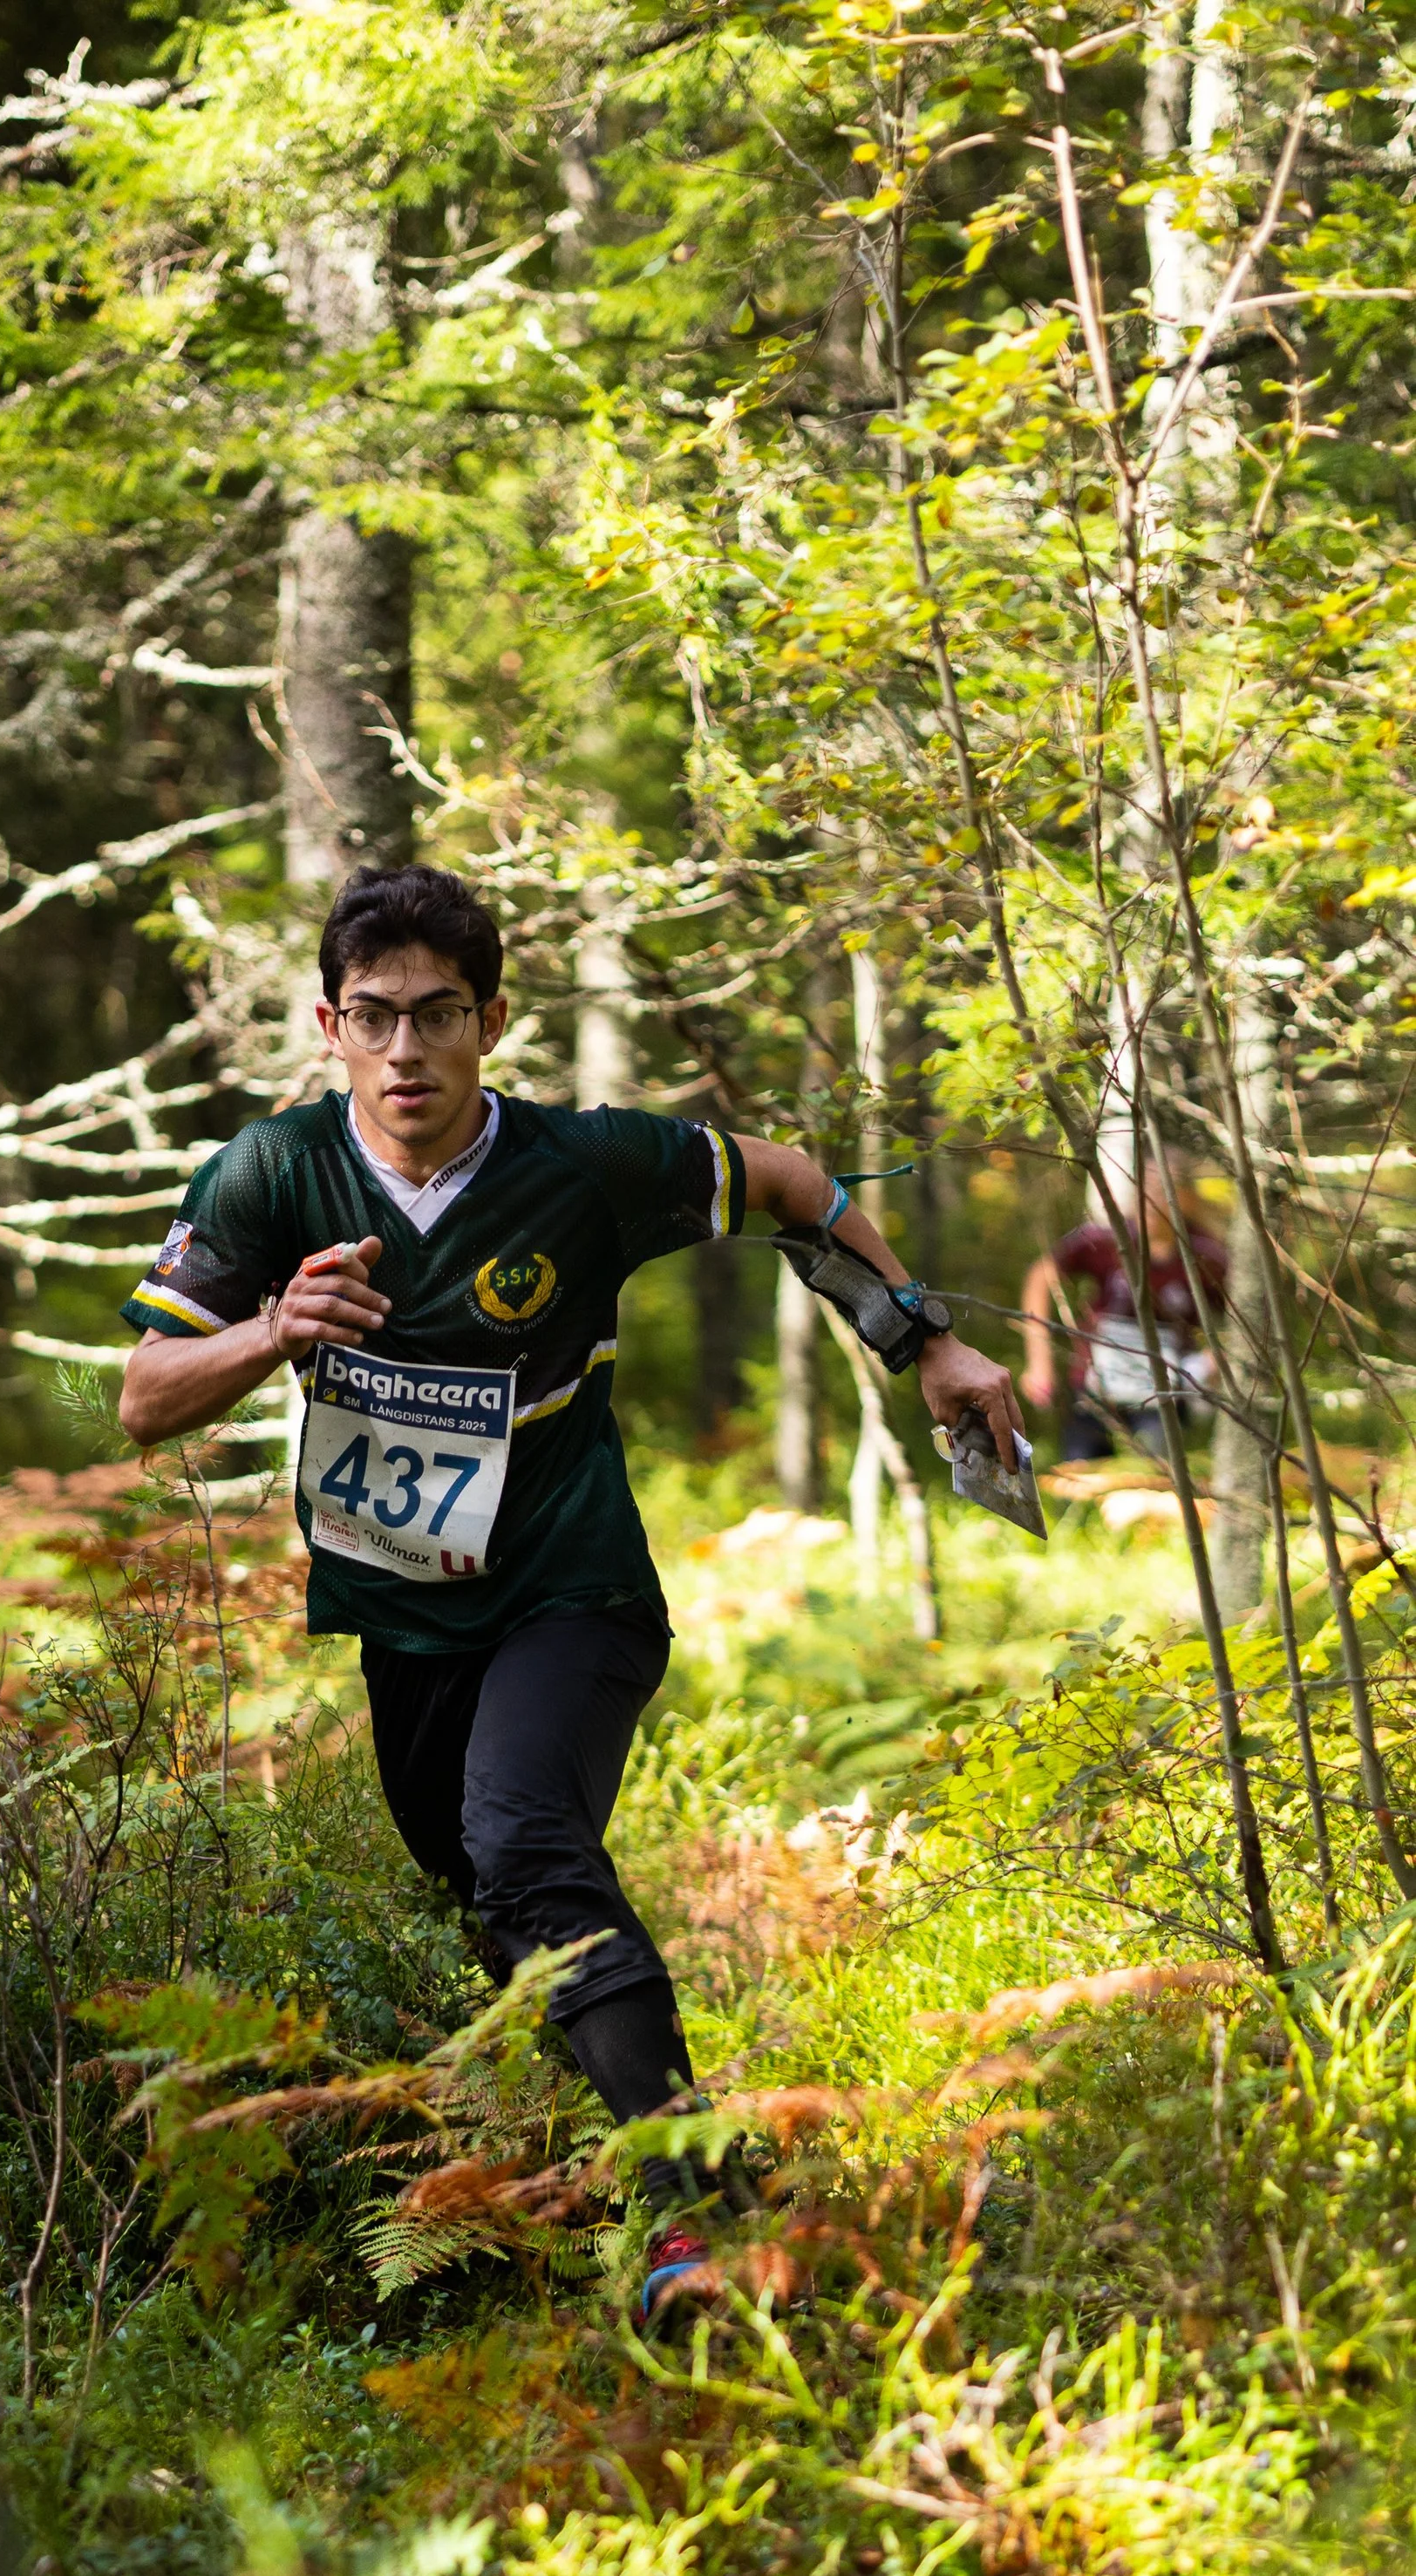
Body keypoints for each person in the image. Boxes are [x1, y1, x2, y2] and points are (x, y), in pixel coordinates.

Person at [117, 866, 1021, 2325]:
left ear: (491, 1021)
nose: (406, 1051)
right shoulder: (272, 1177)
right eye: (375, 1017)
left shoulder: (585, 1166)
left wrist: (924, 1344)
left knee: (526, 1838)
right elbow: (144, 1400)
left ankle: (679, 2216)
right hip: (405, 1615)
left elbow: (789, 1183)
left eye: (439, 1015)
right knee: (488, 1897)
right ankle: (725, 2186)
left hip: (573, 1588)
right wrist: (277, 1329)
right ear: (328, 1025)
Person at [1019, 1167, 1226, 1463]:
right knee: (1082, 1476)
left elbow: (1251, 1311)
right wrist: (1039, 1361)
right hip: (1095, 1389)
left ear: (1188, 1199)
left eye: (1165, 1193)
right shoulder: (1105, 1240)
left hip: (1164, 1395)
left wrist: (1216, 1360)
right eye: (1147, 1191)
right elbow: (1041, 1275)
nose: (1154, 1202)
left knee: (1154, 1479)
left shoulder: (1206, 1255)